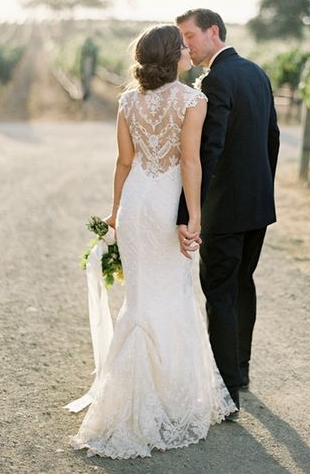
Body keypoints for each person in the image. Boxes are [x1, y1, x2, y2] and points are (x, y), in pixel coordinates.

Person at [69, 24, 236, 459]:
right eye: (181, 44)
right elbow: (190, 164)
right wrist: (193, 217)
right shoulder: (192, 100)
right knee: (172, 295)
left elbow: (124, 161)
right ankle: (163, 401)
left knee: (140, 299)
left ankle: (130, 398)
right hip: (165, 205)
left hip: (137, 202)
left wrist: (114, 211)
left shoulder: (128, 100)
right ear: (171, 55)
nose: (187, 48)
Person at [176, 8, 280, 414]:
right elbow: (271, 138)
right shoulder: (256, 72)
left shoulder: (217, 79)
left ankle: (225, 392)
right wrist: (261, 190)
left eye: (190, 36)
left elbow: (210, 150)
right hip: (257, 206)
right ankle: (240, 369)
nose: (186, 45)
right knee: (242, 284)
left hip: (225, 209)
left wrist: (190, 209)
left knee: (219, 293)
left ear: (213, 32)